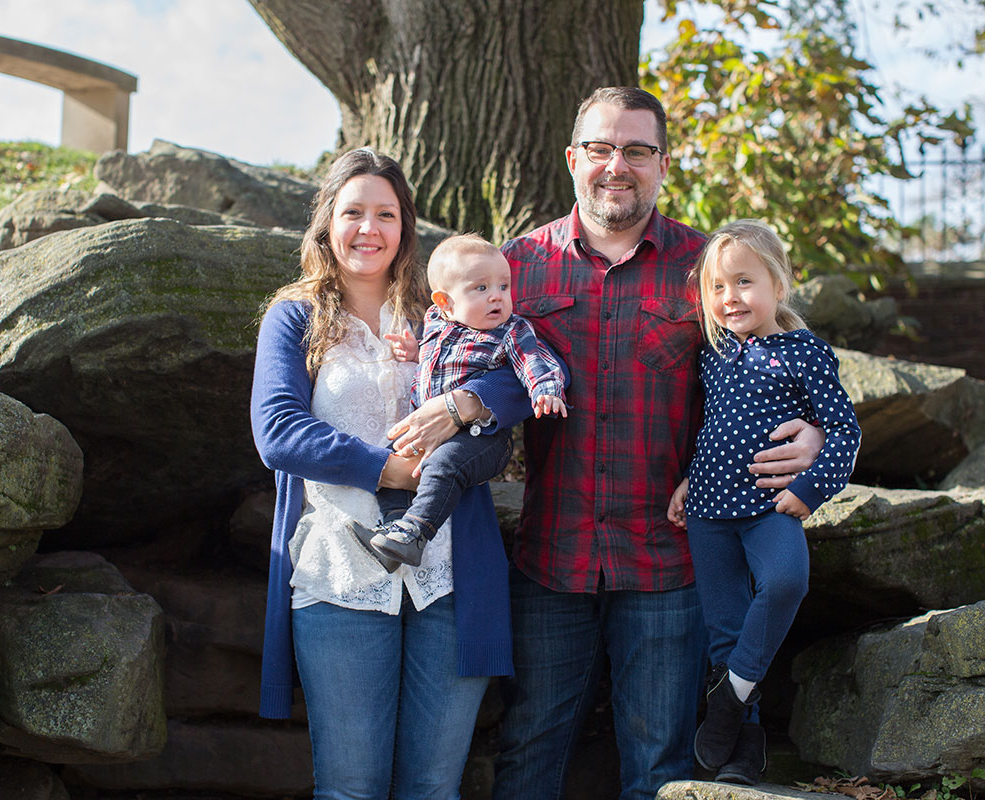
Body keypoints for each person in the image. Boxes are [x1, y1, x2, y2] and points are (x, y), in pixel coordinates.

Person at [488, 87, 826, 800]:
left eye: (637, 150)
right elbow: (461, 352)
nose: (619, 165)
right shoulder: (518, 266)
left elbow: (784, 364)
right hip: (554, 554)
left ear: (662, 164)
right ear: (573, 159)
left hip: (668, 559)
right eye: (603, 148)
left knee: (662, 765)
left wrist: (818, 432)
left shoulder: (709, 267)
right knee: (528, 749)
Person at [250, 148, 537, 800]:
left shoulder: (440, 312)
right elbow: (277, 432)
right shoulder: (295, 319)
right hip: (339, 570)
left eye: (385, 214)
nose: (368, 229)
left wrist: (465, 403)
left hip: (448, 574)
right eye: (353, 212)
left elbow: (525, 372)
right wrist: (389, 469)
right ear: (327, 221)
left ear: (405, 227)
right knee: (351, 789)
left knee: (433, 788)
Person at [666, 219, 861, 785]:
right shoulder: (715, 355)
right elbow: (712, 429)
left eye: (745, 283)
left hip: (767, 508)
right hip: (707, 511)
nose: (731, 298)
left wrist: (808, 490)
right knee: (725, 631)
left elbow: (843, 431)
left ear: (779, 284)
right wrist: (687, 478)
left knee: (784, 583)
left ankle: (727, 704)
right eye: (718, 288)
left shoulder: (804, 352)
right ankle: (743, 751)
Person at [355, 233, 568, 568]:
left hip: (482, 439)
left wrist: (545, 389)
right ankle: (395, 527)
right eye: (481, 288)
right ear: (445, 302)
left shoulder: (509, 331)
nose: (497, 297)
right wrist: (414, 351)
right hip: (431, 434)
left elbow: (534, 359)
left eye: (503, 286)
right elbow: (431, 355)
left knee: (443, 466)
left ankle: (415, 533)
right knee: (389, 456)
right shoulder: (436, 324)